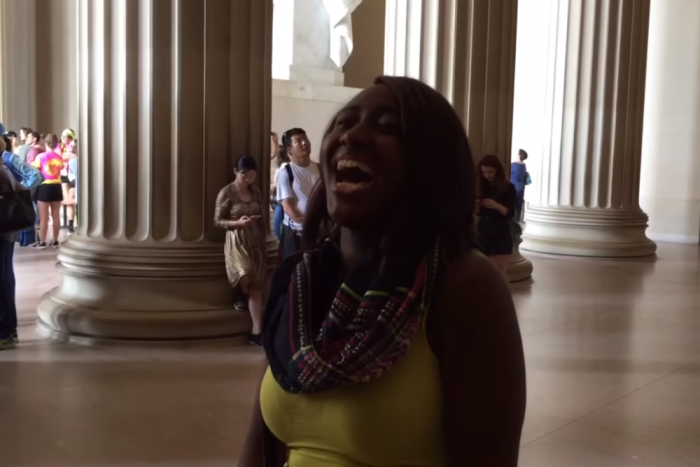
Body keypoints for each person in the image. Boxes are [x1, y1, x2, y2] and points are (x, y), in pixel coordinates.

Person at [239, 76, 526, 467]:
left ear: (431, 163)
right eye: (343, 122)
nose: (352, 135)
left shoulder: (464, 286)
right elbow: (258, 452)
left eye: (388, 127)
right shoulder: (301, 281)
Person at [214, 155, 267, 346]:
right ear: (236, 172)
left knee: (255, 283)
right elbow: (217, 220)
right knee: (245, 274)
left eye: (252, 176)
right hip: (236, 238)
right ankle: (242, 292)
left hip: (255, 240)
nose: (248, 179)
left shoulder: (257, 192)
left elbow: (262, 218)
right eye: (245, 175)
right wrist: (237, 223)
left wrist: (261, 236)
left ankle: (256, 331)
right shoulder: (226, 193)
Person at [275, 128, 319, 260]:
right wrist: (309, 223)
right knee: (296, 274)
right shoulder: (286, 173)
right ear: (290, 150)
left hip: (319, 231)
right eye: (298, 141)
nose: (304, 143)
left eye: (305, 139)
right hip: (295, 233)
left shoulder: (320, 169)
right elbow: (288, 207)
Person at [477, 155, 516, 275]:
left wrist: (496, 205)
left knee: (499, 273)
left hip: (500, 233)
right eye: (484, 172)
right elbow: (480, 213)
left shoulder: (508, 188)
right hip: (483, 231)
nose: (487, 175)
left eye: (490, 172)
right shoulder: (483, 187)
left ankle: (501, 294)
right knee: (482, 272)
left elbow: (510, 213)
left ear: (497, 170)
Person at [0, 136, 21, 350]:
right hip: (6, 233)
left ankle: (5, 332)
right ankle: (8, 331)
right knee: (5, 280)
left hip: (2, 233)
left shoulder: (1, 172)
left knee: (2, 283)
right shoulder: (4, 169)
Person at [31, 133, 64, 249]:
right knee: (56, 216)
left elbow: (36, 171)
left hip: (44, 187)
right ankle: (55, 240)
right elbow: (61, 169)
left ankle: (42, 241)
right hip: (57, 186)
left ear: (45, 143)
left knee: (43, 217)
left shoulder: (40, 157)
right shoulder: (59, 157)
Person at [511, 148, 529, 222]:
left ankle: (512, 223)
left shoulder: (513, 165)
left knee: (512, 205)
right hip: (521, 188)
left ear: (518, 155)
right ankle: (517, 222)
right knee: (519, 206)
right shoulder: (524, 166)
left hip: (513, 187)